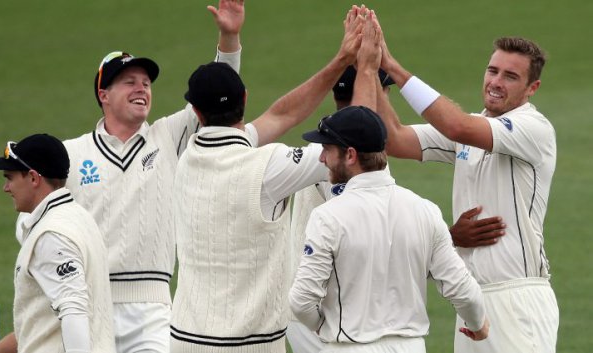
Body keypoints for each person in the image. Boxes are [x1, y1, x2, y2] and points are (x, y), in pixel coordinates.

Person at [46, 1, 244, 352]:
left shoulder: (167, 136)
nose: (142, 88)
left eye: (146, 83)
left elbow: (217, 92)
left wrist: (229, 37)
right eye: (129, 82)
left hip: (154, 309)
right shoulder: (71, 154)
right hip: (89, 304)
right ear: (103, 95)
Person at [169, 6, 369, 353]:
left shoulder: (187, 156)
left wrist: (341, 60)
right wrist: (357, 63)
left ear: (197, 114)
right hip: (251, 344)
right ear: (244, 100)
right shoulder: (269, 167)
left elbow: (282, 114)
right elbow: (353, 143)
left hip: (185, 339)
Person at [289, 12, 488, 352]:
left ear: (350, 154)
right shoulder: (425, 210)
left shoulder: (329, 215)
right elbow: (463, 289)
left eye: (327, 149)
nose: (321, 157)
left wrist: (328, 328)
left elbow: (300, 302)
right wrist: (478, 324)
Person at [376, 17, 558, 352]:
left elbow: (458, 127)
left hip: (517, 298)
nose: (496, 82)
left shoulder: (534, 127)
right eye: (493, 71)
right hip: (472, 301)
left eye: (510, 76)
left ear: (532, 88)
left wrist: (394, 68)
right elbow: (393, 140)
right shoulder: (475, 127)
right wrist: (374, 74)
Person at [287, 65, 395, 353]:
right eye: (385, 91)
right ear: (373, 92)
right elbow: (368, 228)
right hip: (321, 310)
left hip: (317, 305)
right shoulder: (344, 153)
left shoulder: (334, 142)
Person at [0, 134, 115, 353]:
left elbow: (74, 311)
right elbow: (46, 322)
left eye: (10, 177)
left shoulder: (52, 234)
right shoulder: (79, 217)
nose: (6, 188)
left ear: (33, 178)